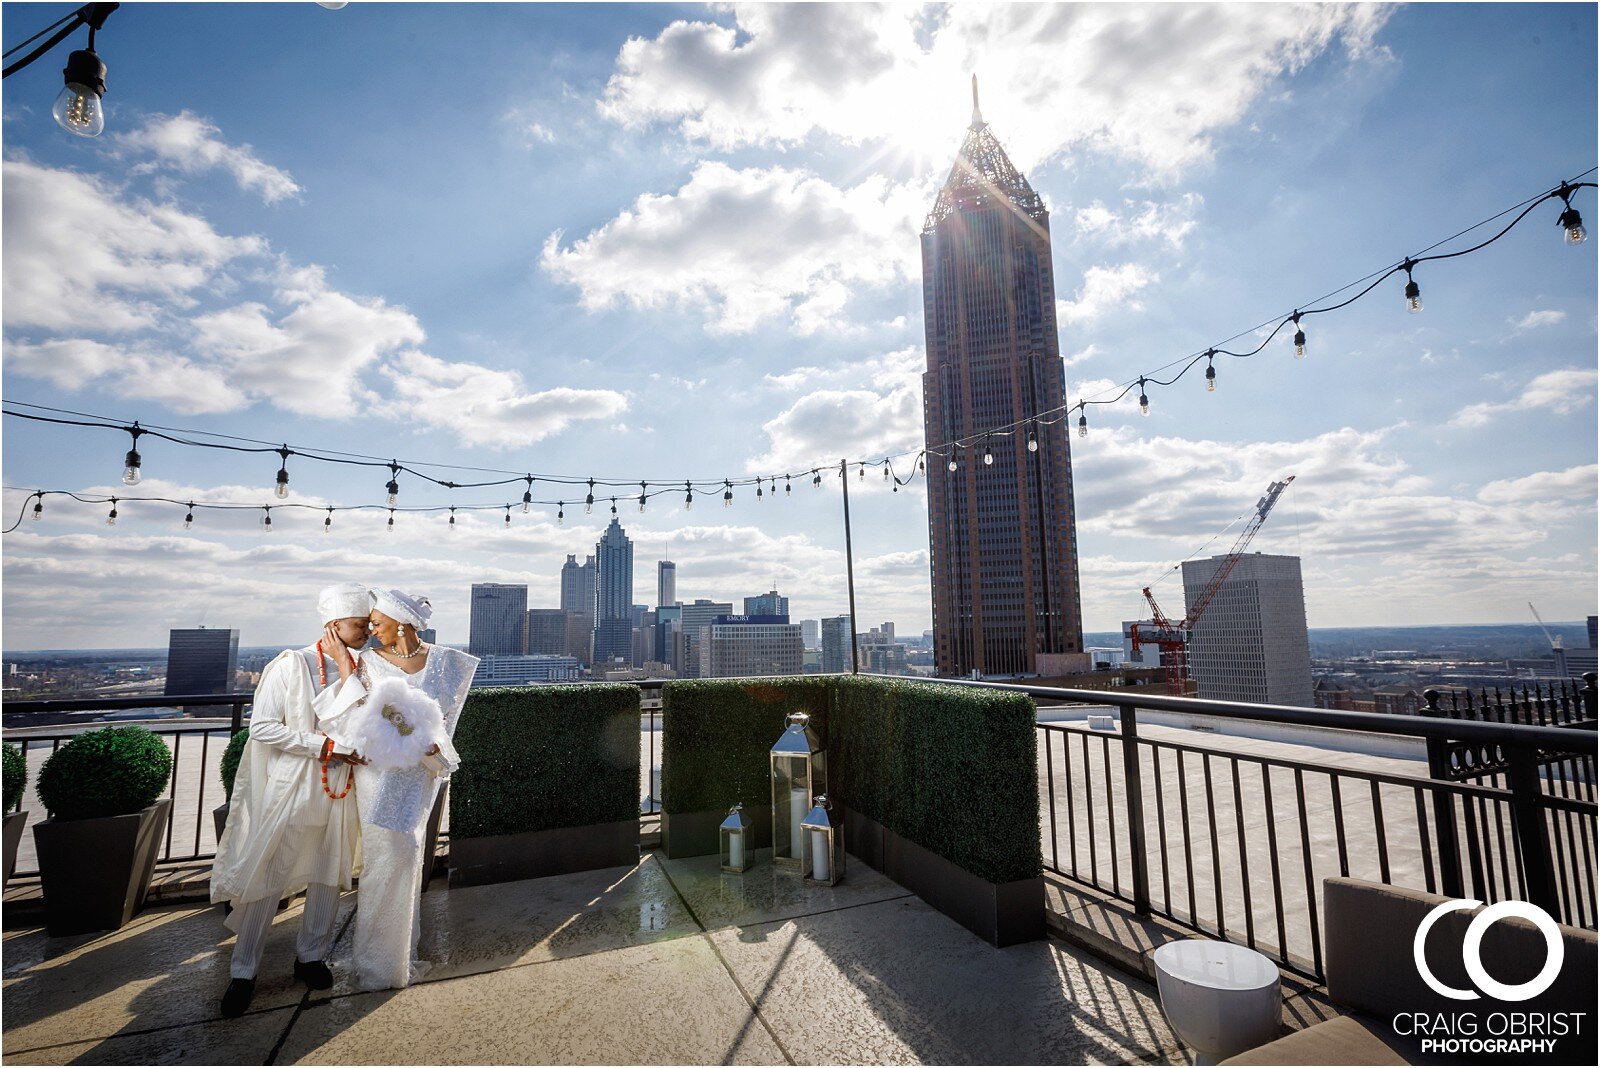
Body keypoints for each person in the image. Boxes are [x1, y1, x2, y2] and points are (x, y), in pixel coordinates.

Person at [211, 582, 372, 1018]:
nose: (368, 632)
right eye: (360, 625)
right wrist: (321, 747)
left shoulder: (361, 669)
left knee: (328, 874)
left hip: (342, 790)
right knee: (267, 877)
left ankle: (311, 957)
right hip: (293, 787)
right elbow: (262, 728)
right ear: (334, 625)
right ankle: (243, 972)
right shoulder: (290, 665)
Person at [321, 588, 478, 991]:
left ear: (402, 622)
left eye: (377, 622)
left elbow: (445, 722)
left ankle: (399, 957)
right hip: (377, 772)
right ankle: (376, 967)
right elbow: (353, 714)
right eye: (370, 623)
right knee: (383, 858)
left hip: (417, 774)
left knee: (407, 855)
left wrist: (431, 746)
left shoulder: (446, 662)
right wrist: (343, 664)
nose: (371, 630)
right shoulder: (365, 662)